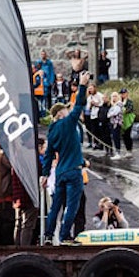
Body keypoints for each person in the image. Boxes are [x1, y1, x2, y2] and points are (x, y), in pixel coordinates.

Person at [44, 67, 90, 245]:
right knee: (72, 205)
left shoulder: (51, 132)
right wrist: (82, 85)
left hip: (60, 172)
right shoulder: (69, 122)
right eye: (65, 110)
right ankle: (65, 237)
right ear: (60, 114)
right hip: (73, 171)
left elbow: (48, 155)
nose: (68, 112)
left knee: (56, 206)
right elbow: (79, 105)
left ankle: (48, 235)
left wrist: (45, 174)